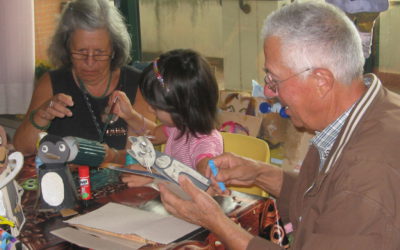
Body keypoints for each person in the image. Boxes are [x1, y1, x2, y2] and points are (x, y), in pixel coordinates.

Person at [159, 2, 400, 249]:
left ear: (321, 81)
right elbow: (326, 199)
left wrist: (216, 222)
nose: (267, 91)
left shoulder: (368, 176)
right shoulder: (372, 111)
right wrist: (260, 173)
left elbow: (348, 194)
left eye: (274, 79)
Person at [13, 0, 155, 156]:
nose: (90, 63)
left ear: (114, 49)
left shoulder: (137, 84)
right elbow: (22, 149)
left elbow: (140, 157)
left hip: (123, 179)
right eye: (81, 52)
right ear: (66, 47)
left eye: (100, 53)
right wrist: (41, 116)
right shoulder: (50, 83)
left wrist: (107, 156)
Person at [111, 49, 223, 187]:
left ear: (181, 107)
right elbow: (152, 135)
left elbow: (207, 181)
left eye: (156, 106)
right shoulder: (178, 126)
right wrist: (130, 115)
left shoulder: (205, 143)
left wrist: (155, 177)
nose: (150, 109)